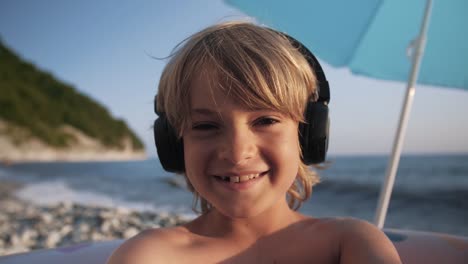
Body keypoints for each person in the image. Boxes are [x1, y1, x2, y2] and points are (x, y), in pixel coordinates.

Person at [107, 21, 401, 263]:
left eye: (265, 121)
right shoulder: (150, 256)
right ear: (173, 144)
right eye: (206, 126)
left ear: (306, 135)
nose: (237, 153)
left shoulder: (351, 243)